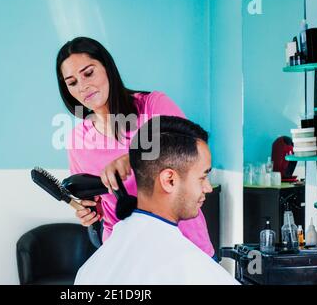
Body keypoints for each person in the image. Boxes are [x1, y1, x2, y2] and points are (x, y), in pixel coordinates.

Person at [56, 36, 214, 258]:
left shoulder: (152, 105)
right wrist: (91, 211)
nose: (83, 87)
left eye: (88, 73)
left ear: (107, 68)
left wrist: (135, 158)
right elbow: (99, 201)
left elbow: (195, 150)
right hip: (125, 253)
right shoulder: (78, 140)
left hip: (183, 246)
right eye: (72, 82)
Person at [74, 116, 239, 285]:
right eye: (203, 177)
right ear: (169, 180)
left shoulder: (89, 269)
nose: (208, 188)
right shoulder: (195, 270)